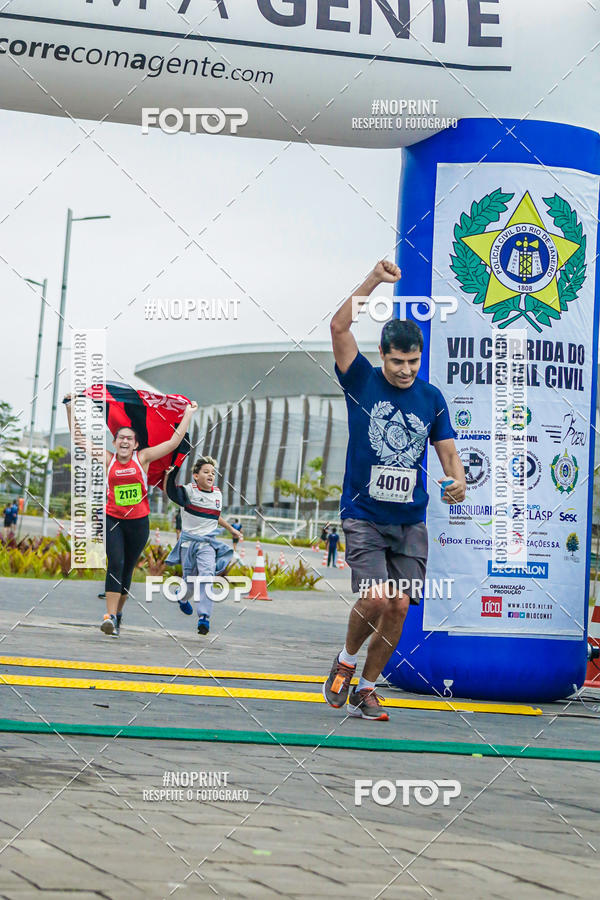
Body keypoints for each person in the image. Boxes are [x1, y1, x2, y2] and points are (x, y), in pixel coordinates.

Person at [322, 260, 466, 721]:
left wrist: (458, 480)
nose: (406, 370)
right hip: (363, 514)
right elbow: (339, 326)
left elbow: (447, 452)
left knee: (400, 605)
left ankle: (367, 688)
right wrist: (374, 281)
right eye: (397, 361)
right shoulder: (361, 380)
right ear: (382, 355)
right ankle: (345, 662)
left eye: (413, 362)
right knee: (377, 597)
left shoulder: (431, 398)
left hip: (409, 520)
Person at [65, 393, 197, 636]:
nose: (125, 441)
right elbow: (79, 438)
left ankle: (117, 615)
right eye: (121, 438)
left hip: (138, 524)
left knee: (127, 570)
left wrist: (188, 414)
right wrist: (70, 406)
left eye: (129, 438)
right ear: (114, 442)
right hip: (112, 520)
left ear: (136, 444)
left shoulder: (143, 458)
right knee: (115, 563)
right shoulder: (108, 459)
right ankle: (109, 616)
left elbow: (173, 442)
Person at [164, 457, 242, 635]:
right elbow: (171, 492)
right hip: (188, 544)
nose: (210, 475)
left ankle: (204, 617)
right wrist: (171, 473)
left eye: (213, 473)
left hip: (207, 544)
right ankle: (182, 597)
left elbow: (215, 515)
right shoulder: (188, 491)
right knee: (190, 584)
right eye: (206, 472)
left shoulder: (217, 494)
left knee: (207, 575)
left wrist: (231, 529)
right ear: (196, 475)